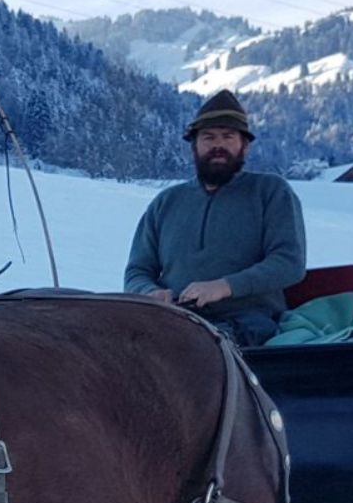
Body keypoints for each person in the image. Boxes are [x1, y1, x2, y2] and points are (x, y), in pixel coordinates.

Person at [122, 89, 305, 347]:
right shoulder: (166, 202)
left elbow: (288, 263)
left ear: (245, 146)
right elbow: (137, 270)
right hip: (171, 316)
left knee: (193, 349)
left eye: (228, 137)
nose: (218, 145)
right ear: (194, 146)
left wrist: (224, 286)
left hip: (247, 319)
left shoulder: (270, 192)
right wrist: (148, 292)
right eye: (208, 137)